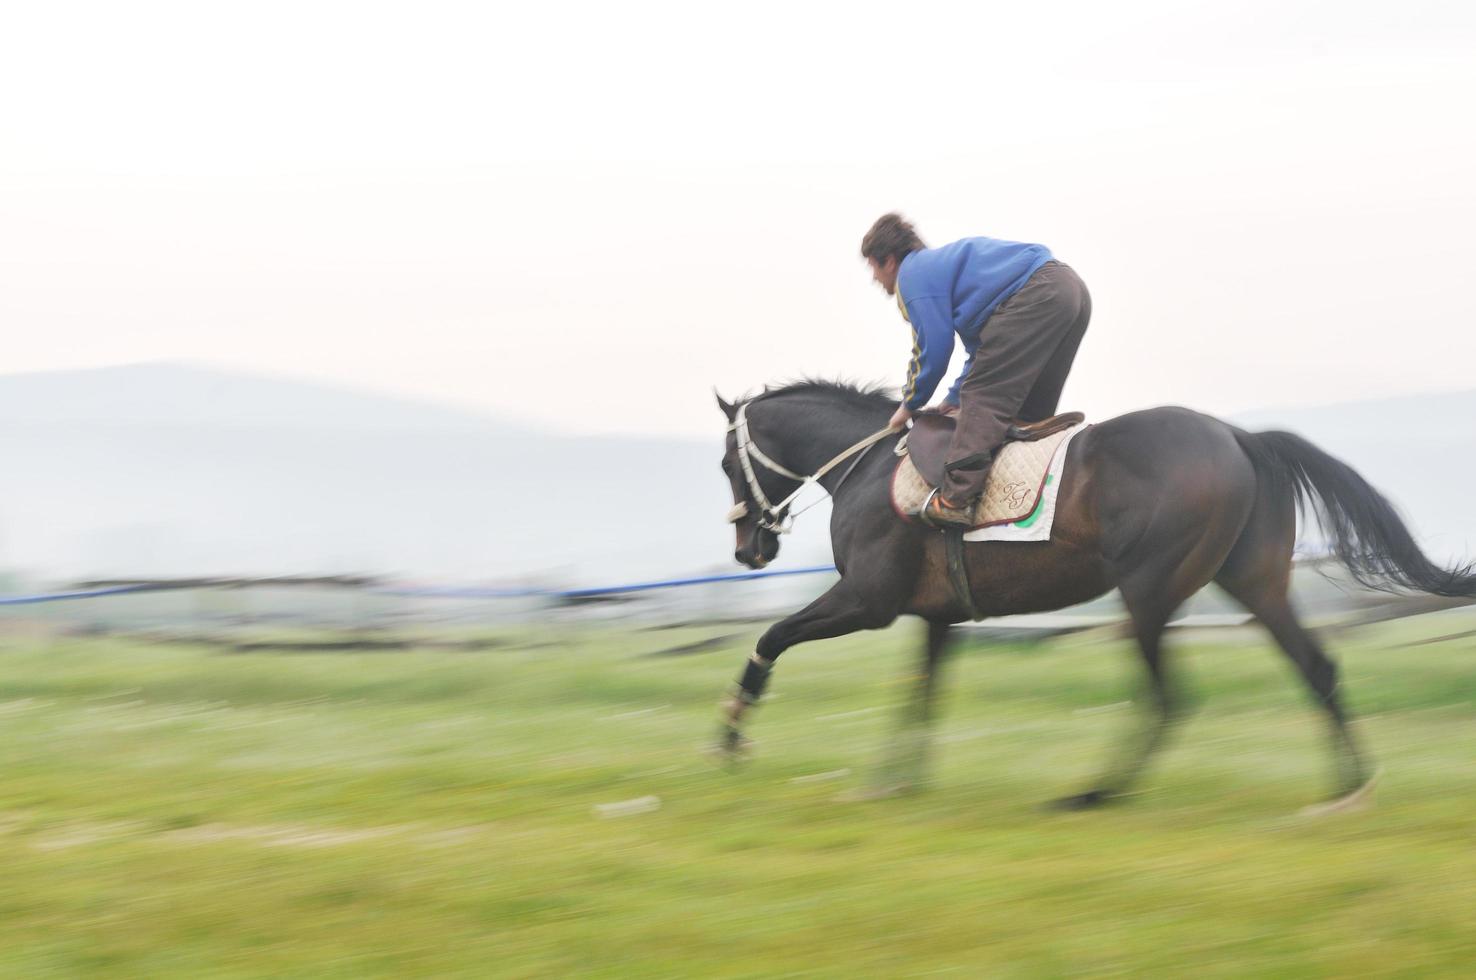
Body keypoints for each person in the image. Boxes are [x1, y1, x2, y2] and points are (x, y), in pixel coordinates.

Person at [862, 213, 1092, 529]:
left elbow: (933, 348)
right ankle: (1026, 497)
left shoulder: (912, 276)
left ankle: (955, 500)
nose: (874, 278)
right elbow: (983, 354)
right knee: (1027, 417)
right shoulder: (946, 273)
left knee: (983, 400)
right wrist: (952, 398)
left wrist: (909, 404)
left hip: (1036, 295)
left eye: (872, 267)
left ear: (888, 260)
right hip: (1069, 292)